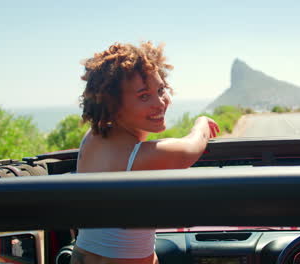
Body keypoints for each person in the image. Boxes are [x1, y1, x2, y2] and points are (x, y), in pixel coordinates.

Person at [70, 41, 220, 264]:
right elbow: (191, 148)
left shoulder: (93, 138)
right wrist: (202, 125)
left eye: (161, 90)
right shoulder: (139, 158)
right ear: (113, 104)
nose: (159, 103)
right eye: (143, 96)